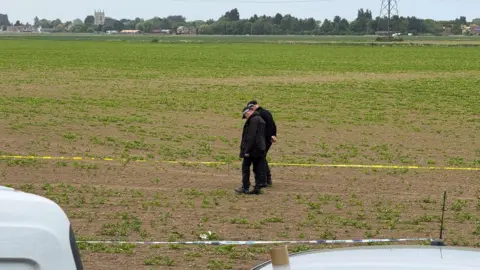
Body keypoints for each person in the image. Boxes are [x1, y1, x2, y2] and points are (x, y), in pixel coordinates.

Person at [235, 106, 267, 195]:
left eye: (245, 115)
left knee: (245, 167)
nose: (245, 117)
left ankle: (245, 187)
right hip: (259, 148)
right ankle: (257, 188)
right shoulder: (260, 119)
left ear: (248, 112)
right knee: (258, 168)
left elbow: (251, 137)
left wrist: (246, 151)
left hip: (252, 150)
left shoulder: (253, 120)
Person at [246, 100, 277, 187]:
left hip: (263, 140)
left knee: (260, 159)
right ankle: (267, 179)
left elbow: (260, 129)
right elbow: (273, 125)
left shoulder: (259, 115)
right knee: (262, 158)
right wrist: (273, 135)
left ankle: (265, 179)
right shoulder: (267, 112)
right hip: (268, 139)